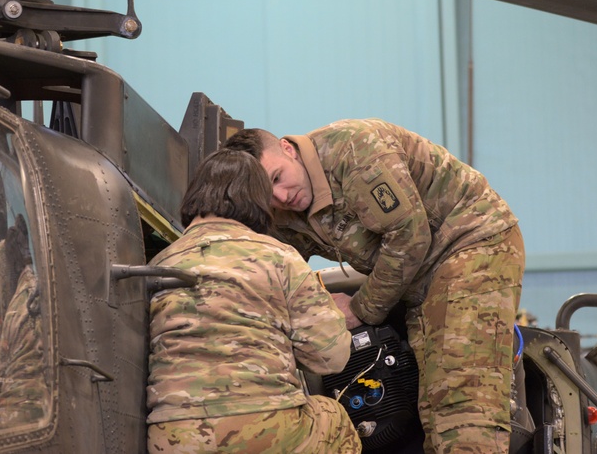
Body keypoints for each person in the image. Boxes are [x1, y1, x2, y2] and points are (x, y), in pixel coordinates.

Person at [224, 120, 525, 454]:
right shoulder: (286, 208)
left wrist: (359, 309)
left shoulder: (354, 151)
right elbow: (276, 271)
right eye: (269, 194)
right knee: (433, 406)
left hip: (471, 245)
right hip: (419, 280)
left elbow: (409, 237)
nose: (282, 196)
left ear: (287, 148)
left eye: (278, 177)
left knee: (464, 398)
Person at [145, 148, 363, 453]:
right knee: (333, 417)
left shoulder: (159, 262)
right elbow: (331, 356)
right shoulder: (280, 256)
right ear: (259, 201)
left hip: (172, 437)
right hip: (263, 426)